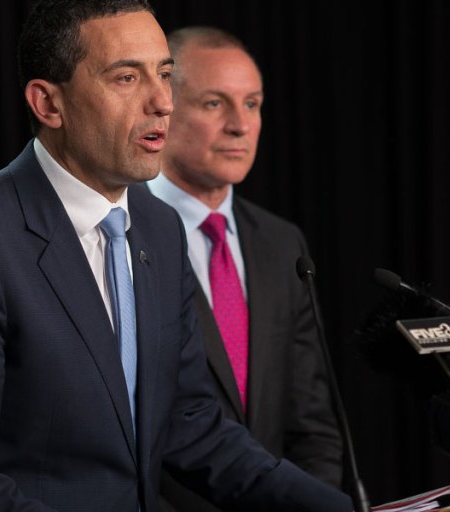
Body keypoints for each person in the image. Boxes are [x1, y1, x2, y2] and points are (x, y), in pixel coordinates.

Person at [0, 1, 353, 511]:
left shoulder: (159, 226)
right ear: (48, 104)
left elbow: (189, 423)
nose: (162, 103)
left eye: (165, 74)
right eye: (127, 77)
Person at [148, 27, 345, 512]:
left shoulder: (281, 243)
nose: (240, 125)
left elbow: (312, 422)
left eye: (252, 104)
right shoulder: (121, 233)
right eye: (215, 104)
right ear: (164, 109)